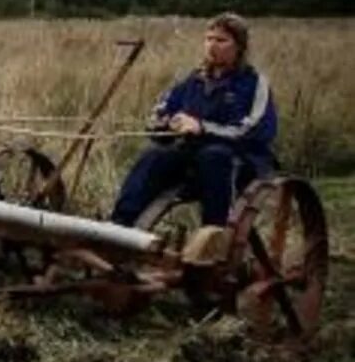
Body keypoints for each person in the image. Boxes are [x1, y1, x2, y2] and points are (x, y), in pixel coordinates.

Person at [110, 13, 277, 228]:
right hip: (192, 156)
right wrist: (165, 124)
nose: (212, 45)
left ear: (239, 47)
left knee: (214, 156)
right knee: (153, 155)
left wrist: (202, 127)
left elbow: (256, 130)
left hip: (242, 162)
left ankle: (214, 234)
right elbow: (160, 113)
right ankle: (118, 226)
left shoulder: (254, 83)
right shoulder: (192, 79)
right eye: (208, 39)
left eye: (221, 40)